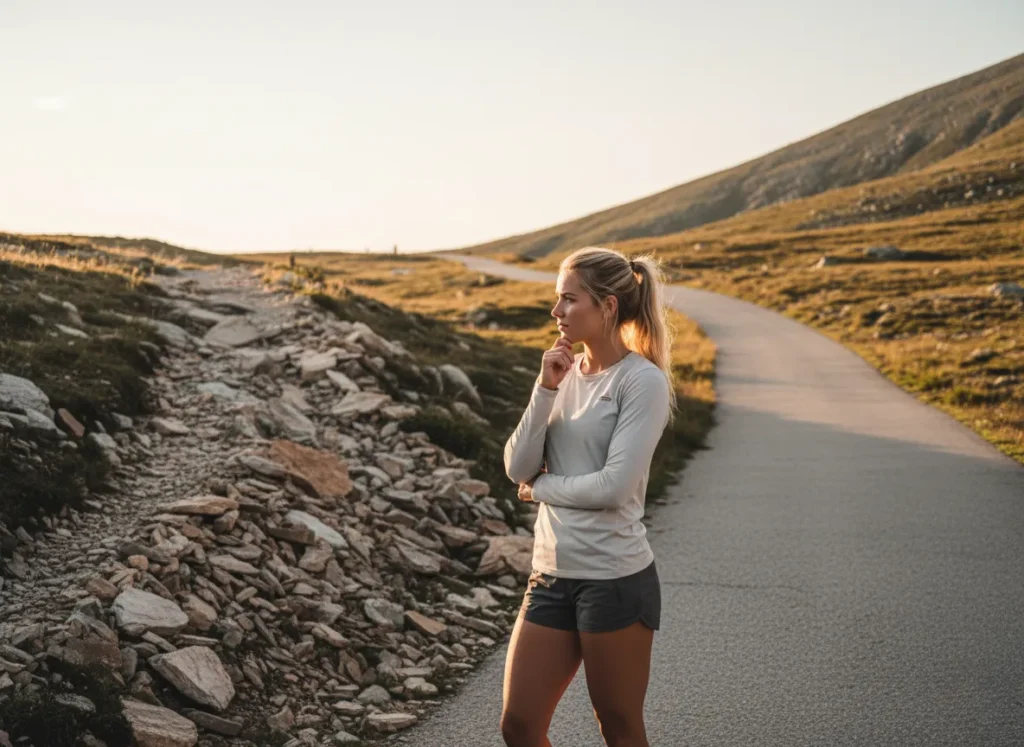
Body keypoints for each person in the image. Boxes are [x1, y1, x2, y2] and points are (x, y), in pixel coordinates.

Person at [501, 246, 678, 747]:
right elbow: (515, 465)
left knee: (619, 726)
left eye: (568, 300)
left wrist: (541, 490)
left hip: (614, 578)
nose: (556, 312)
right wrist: (544, 389)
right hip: (550, 576)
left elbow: (613, 488)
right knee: (519, 725)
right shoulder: (561, 373)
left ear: (607, 307)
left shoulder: (641, 381)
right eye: (557, 300)